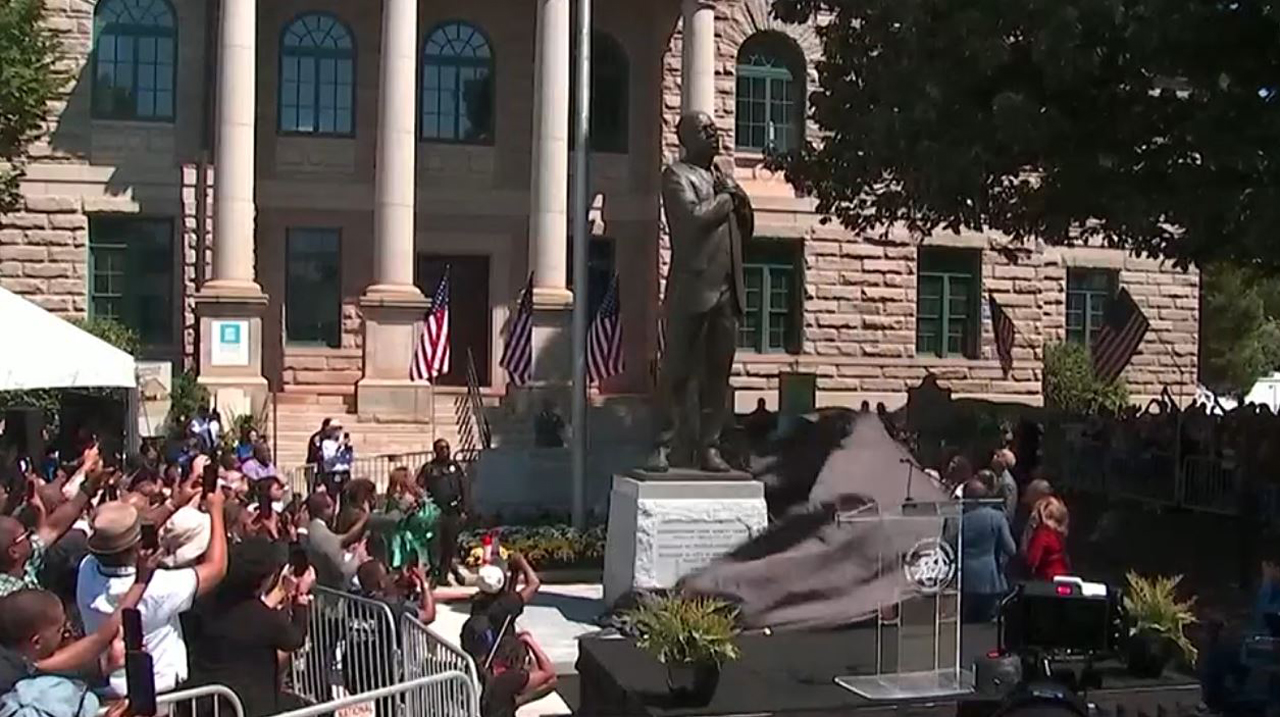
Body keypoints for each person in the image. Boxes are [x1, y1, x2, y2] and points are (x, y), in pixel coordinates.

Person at [648, 110, 754, 473]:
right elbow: (692, 222)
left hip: (728, 290)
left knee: (717, 376)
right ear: (686, 139)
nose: (714, 133)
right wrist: (727, 199)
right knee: (677, 370)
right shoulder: (675, 176)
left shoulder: (722, 178)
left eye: (714, 128)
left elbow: (745, 228)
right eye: (705, 129)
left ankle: (710, 447)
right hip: (692, 289)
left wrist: (740, 202)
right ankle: (662, 444)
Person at [76, 472, 229, 698]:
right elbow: (216, 568)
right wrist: (216, 511)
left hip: (107, 691)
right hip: (157, 695)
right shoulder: (158, 587)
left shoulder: (87, 570)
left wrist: (174, 503)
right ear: (136, 546)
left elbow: (125, 541)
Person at [185, 537, 314, 717]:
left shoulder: (207, 604)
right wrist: (301, 599)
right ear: (261, 580)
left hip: (207, 704)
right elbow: (294, 638)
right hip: (248, 705)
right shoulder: (260, 617)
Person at [0, 552, 156, 694]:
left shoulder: (18, 663)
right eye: (61, 631)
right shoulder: (11, 680)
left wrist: (106, 663)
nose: (69, 632)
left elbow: (98, 638)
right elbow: (99, 639)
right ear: (37, 642)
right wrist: (141, 582)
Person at [0, 446, 107, 598]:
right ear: (13, 552)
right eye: (25, 535)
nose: (32, 536)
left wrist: (88, 488)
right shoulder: (7, 598)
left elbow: (53, 528)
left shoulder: (26, 561)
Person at [959, 480, 1016, 623]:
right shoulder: (997, 517)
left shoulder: (957, 519)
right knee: (988, 626)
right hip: (990, 580)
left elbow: (948, 547)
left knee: (965, 625)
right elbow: (1011, 549)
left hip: (964, 580)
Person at [420, 440, 468, 585]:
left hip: (453, 511)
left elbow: (463, 487)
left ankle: (443, 575)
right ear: (435, 450)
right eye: (441, 448)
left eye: (447, 448)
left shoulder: (455, 467)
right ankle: (434, 574)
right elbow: (421, 487)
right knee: (436, 545)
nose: (445, 451)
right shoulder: (429, 468)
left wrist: (464, 509)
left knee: (449, 544)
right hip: (436, 511)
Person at [479, 631, 557, 717]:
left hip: (493, 709)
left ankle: (513, 704)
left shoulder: (487, 669)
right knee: (550, 680)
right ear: (515, 659)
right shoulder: (510, 678)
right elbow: (549, 672)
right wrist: (530, 642)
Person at [304, 492, 369, 589]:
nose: (334, 508)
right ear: (323, 511)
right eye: (330, 506)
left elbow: (344, 538)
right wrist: (357, 555)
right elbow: (343, 570)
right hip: (331, 591)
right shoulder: (319, 531)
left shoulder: (316, 528)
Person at [470, 553, 541, 628]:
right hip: (505, 639)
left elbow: (509, 595)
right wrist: (521, 562)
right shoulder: (507, 603)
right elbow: (534, 583)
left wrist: (515, 572)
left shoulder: (478, 602)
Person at [1022, 495, 1070, 580]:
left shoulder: (1043, 534)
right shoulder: (1059, 533)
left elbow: (1032, 560)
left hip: (1046, 578)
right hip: (1063, 575)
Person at [320, 424, 353, 498]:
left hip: (344, 472)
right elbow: (329, 458)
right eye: (336, 430)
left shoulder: (343, 444)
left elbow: (349, 459)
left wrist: (348, 448)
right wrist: (339, 446)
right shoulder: (326, 443)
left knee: (346, 496)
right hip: (334, 472)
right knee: (333, 494)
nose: (339, 433)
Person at [989, 448, 1019, 519]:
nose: (994, 457)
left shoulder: (1007, 483)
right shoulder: (996, 478)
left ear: (1004, 463)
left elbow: (1008, 510)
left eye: (998, 456)